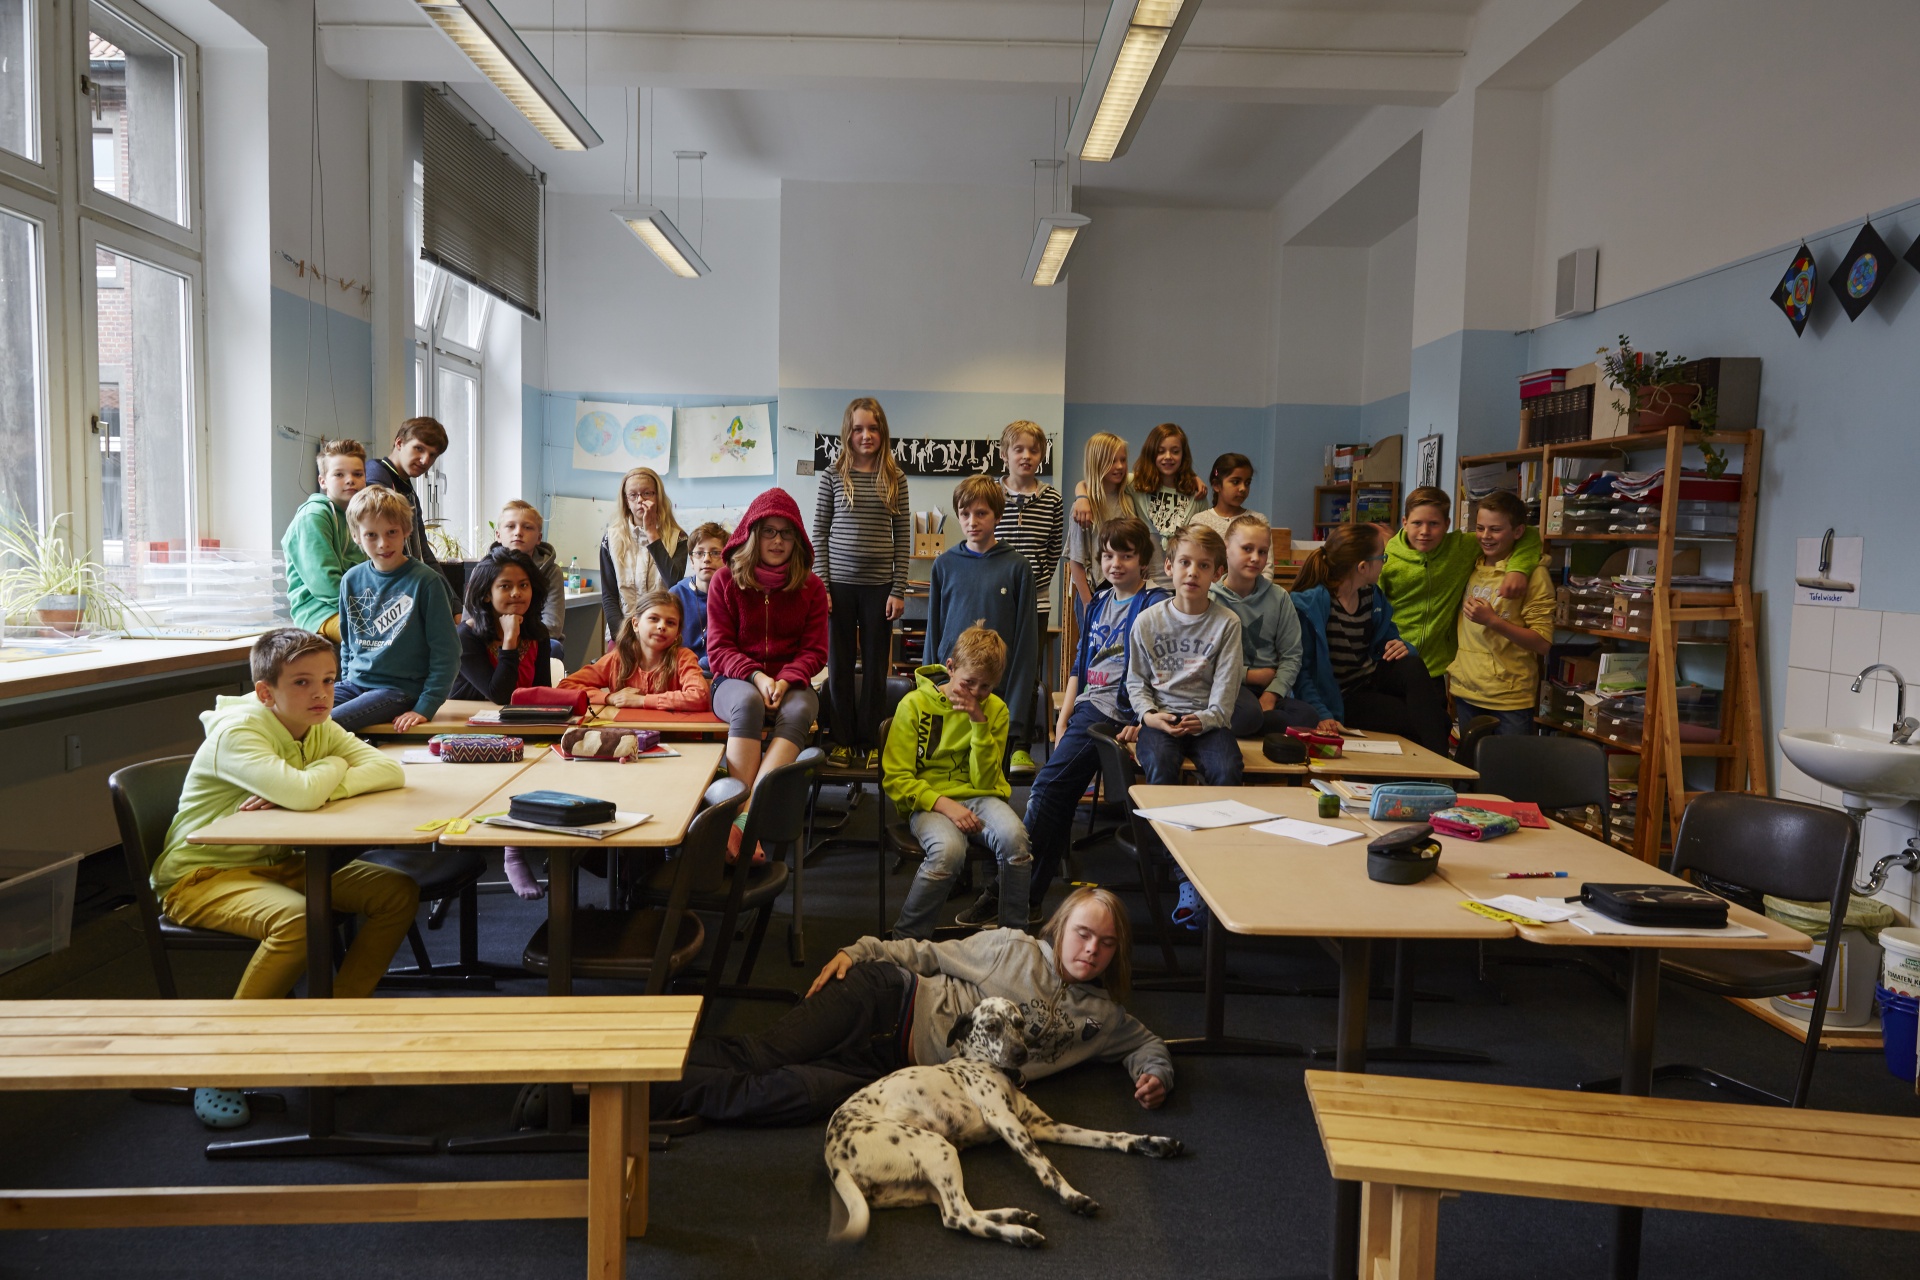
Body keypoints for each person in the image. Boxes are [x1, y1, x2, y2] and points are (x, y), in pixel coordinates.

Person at [151, 628, 416, 1128]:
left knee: (394, 891)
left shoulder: (315, 723)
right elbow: (303, 794)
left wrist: (317, 783)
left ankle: (331, 1030)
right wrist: (322, 777)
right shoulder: (239, 731)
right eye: (302, 682)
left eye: (329, 681)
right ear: (265, 692)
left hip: (282, 864)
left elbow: (388, 772)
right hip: (204, 875)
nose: (321, 694)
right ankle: (223, 1066)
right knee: (298, 920)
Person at [649, 887, 1172, 1127]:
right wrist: (859, 951)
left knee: (774, 1096)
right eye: (1083, 934)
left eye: (1106, 944)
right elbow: (925, 951)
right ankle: (609, 1078)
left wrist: (1156, 1075)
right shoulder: (1012, 949)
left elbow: (1148, 1045)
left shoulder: (1101, 1020)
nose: (1091, 950)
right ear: (1061, 929)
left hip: (890, 1073)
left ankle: (635, 1098)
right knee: (758, 1055)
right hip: (882, 1002)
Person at [960, 516, 1166, 930]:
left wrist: (1145, 718)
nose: (1116, 564)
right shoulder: (1099, 601)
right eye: (1108, 555)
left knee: (1048, 789)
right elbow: (1080, 663)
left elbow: (1163, 670)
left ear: (1144, 561)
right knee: (1058, 797)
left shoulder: (1154, 604)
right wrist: (1064, 712)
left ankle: (1007, 893)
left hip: (1122, 712)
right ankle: (1027, 899)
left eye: (1127, 556)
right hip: (1090, 708)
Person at [883, 625, 1031, 939]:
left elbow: (986, 779)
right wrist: (945, 805)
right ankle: (905, 941)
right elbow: (896, 779)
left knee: (1016, 841)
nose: (975, 693)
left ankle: (1015, 939)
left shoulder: (997, 711)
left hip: (980, 796)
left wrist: (979, 724)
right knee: (949, 852)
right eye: (968, 683)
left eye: (986, 687)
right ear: (950, 668)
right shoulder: (913, 705)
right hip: (928, 801)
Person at [705, 489, 829, 859]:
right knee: (747, 703)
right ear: (752, 534)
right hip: (735, 680)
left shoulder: (812, 587)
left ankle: (740, 824)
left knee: (799, 710)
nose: (777, 540)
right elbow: (719, 650)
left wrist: (787, 678)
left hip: (793, 683)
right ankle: (742, 818)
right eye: (769, 531)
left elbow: (815, 651)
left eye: (786, 533)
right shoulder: (724, 581)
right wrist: (757, 677)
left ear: (797, 539)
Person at [1291, 522, 1451, 754]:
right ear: (1363, 567)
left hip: (1370, 680)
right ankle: (1439, 771)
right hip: (1343, 696)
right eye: (1382, 557)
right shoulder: (1309, 606)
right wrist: (1322, 713)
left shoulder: (1371, 596)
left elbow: (1390, 640)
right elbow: (1302, 672)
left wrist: (1403, 647)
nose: (1384, 564)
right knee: (1437, 723)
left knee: (1413, 667)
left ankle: (1441, 770)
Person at [814, 398, 910, 768]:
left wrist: (898, 589)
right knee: (838, 665)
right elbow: (819, 532)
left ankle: (870, 741)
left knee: (874, 667)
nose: (865, 435)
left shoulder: (895, 477)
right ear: (848, 432)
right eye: (858, 428)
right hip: (838, 585)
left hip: (879, 588)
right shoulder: (833, 476)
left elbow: (902, 536)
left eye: (872, 428)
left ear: (882, 431)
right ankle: (841, 739)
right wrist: (822, 584)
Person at [925, 475, 1039, 763]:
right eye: (965, 514)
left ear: (998, 516)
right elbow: (933, 630)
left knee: (986, 772)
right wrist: (928, 685)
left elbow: (1026, 641)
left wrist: (1015, 711)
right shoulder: (944, 565)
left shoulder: (1018, 567)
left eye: (981, 513)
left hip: (994, 692)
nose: (972, 521)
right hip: (951, 686)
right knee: (945, 769)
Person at [332, 485, 459, 733]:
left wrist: (425, 706)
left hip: (398, 691)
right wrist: (347, 678)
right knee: (293, 712)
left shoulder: (426, 581)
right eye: (371, 535)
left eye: (392, 532)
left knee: (327, 724)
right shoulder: (351, 579)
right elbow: (348, 641)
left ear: (406, 531)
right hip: (354, 685)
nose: (383, 543)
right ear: (356, 536)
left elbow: (448, 653)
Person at [1381, 485, 1542, 680]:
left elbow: (1529, 534)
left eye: (1434, 523)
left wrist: (1517, 570)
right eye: (1417, 523)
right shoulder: (1386, 558)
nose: (1425, 531)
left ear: (1447, 524)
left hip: (1436, 667)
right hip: (1393, 658)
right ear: (1404, 522)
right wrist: (1390, 639)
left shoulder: (1461, 547)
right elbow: (1373, 609)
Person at [1448, 490, 1555, 738]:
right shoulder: (1471, 562)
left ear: (1517, 532)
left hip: (1509, 697)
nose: (1485, 536)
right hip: (1466, 689)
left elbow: (1542, 643)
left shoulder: (1534, 576)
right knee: (1470, 770)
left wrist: (1493, 622)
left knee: (1507, 774)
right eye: (1480, 528)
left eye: (1495, 529)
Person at [993, 420, 1065, 773]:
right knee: (992, 669)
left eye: (1033, 450)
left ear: (1041, 455)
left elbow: (1053, 551)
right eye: (1018, 449)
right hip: (996, 602)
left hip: (1035, 602)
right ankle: (990, 740)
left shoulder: (1052, 499)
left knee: (1026, 673)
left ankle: (1021, 745)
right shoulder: (991, 494)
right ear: (1004, 454)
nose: (1026, 456)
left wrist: (1033, 583)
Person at [1211, 513, 1317, 737]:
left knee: (1308, 717)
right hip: (1228, 687)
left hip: (1268, 690)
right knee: (1247, 714)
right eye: (1247, 549)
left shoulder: (1278, 598)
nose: (1255, 558)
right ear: (1226, 547)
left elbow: (1292, 655)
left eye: (1262, 551)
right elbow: (1205, 659)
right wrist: (1249, 676)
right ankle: (1253, 722)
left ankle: (1251, 724)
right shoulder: (1210, 598)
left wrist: (1272, 694)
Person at [1072, 423, 1207, 588]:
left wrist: (1194, 478)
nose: (1168, 456)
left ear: (1183, 455)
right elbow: (1095, 480)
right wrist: (1081, 497)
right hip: (1148, 586)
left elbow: (1202, 544)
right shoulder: (1137, 484)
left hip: (1185, 584)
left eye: (1175, 451)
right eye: (1161, 451)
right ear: (1151, 453)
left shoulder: (1196, 493)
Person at [560, 588, 712, 713]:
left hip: (673, 737)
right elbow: (566, 686)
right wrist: (609, 698)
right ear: (636, 624)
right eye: (653, 619)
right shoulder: (618, 659)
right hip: (627, 733)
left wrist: (642, 700)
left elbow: (700, 696)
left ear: (678, 632)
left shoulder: (684, 658)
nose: (662, 626)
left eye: (671, 622)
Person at [283, 438, 367, 642]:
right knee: (373, 636)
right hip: (319, 612)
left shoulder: (357, 516)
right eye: (339, 474)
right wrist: (369, 612)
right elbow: (326, 585)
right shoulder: (313, 516)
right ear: (322, 481)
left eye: (358, 474)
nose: (350, 480)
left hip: (356, 605)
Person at [450, 545, 551, 703]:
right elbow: (500, 695)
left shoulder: (538, 633)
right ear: (487, 594)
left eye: (523, 585)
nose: (516, 593)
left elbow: (543, 694)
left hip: (522, 723)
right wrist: (510, 639)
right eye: (505, 586)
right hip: (469, 724)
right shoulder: (466, 636)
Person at [598, 466, 687, 642]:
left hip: (663, 632)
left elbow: (674, 583)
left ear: (658, 497)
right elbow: (609, 596)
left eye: (647, 493)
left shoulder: (678, 537)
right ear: (626, 500)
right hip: (622, 631)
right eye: (633, 495)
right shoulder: (611, 538)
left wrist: (652, 534)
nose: (640, 500)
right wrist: (622, 637)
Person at [1065, 432, 1143, 607]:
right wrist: (1087, 603)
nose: (1120, 466)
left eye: (1123, 460)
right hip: (1095, 593)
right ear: (1097, 462)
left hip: (1127, 590)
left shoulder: (1128, 501)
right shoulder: (1083, 507)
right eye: (1112, 461)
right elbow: (1076, 561)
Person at [365, 417, 448, 570]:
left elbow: (424, 552)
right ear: (399, 443)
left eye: (432, 455)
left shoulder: (408, 490)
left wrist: (448, 593)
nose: (425, 460)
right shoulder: (376, 478)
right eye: (419, 448)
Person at [492, 500, 566, 651]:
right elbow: (470, 621)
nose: (518, 532)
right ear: (498, 535)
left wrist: (515, 636)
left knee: (554, 647)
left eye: (527, 527)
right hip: (493, 638)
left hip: (534, 639)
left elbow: (553, 625)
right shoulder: (483, 570)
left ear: (539, 538)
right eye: (510, 526)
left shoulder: (552, 572)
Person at [670, 521, 729, 676]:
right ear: (691, 560)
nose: (707, 559)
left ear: (727, 559)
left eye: (715, 552)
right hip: (681, 672)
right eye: (700, 553)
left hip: (720, 673)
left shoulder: (733, 596)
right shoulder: (676, 595)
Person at [1191, 452, 1259, 542]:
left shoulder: (1257, 521)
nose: (1243, 488)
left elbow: (1265, 555)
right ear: (1216, 485)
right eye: (1235, 482)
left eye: (1247, 483)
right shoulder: (1200, 521)